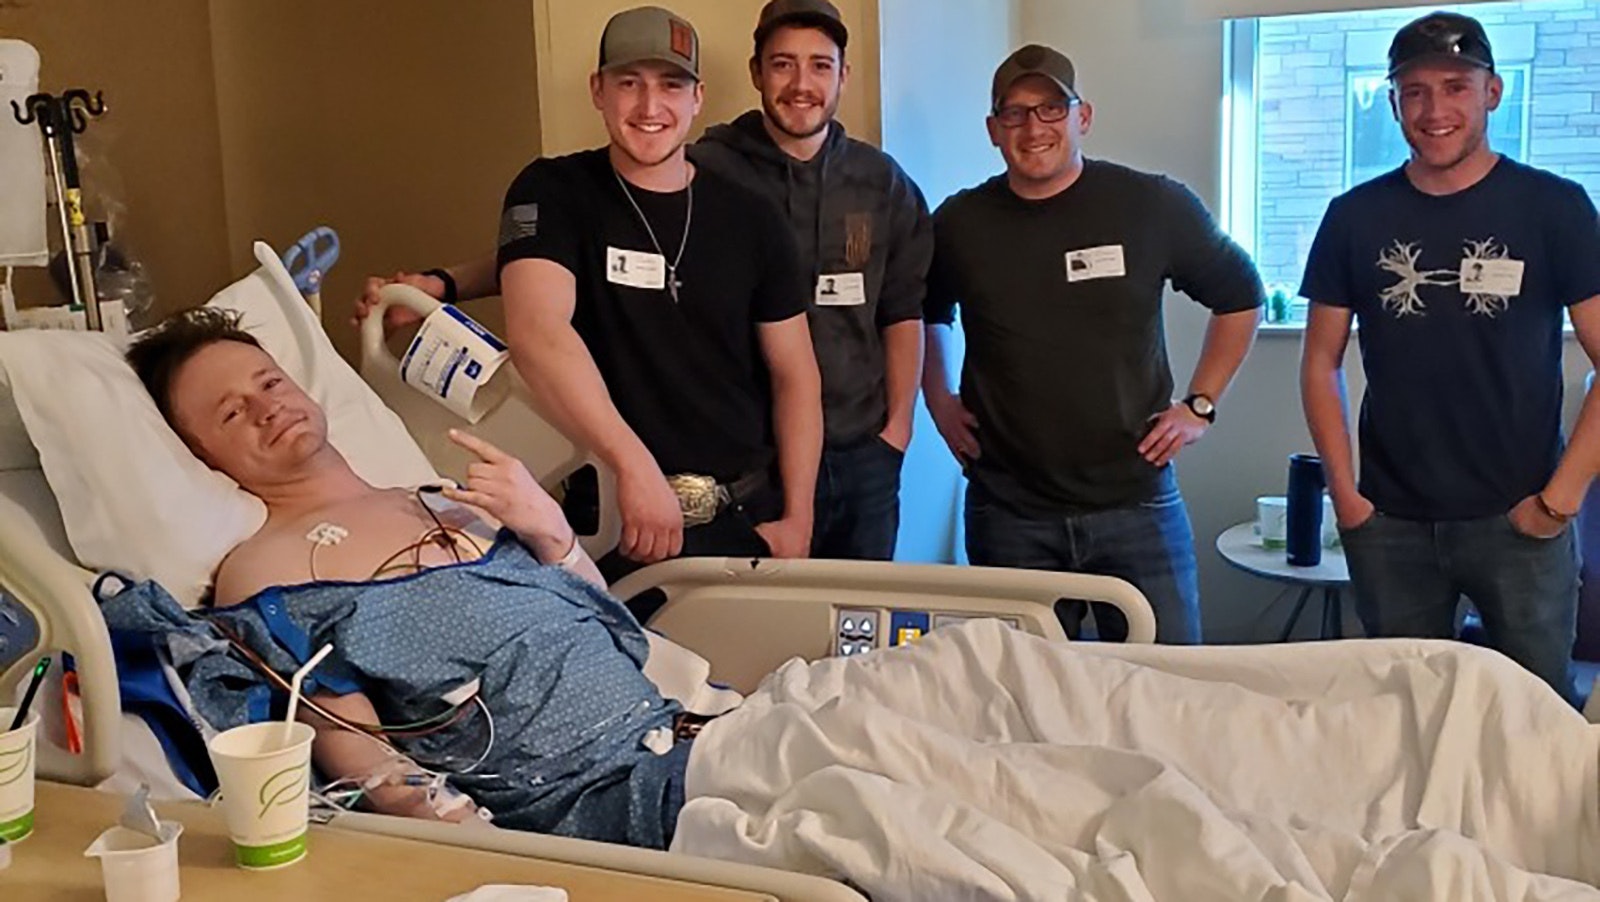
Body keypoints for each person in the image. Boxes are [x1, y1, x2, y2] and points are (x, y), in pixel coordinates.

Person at [111, 306, 1600, 899]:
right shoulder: (259, 580)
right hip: (652, 801)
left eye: (269, 380)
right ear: (191, 449)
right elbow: (355, 761)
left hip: (736, 707)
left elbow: (620, 623)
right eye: (225, 413)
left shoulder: (450, 489)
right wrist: (440, 822)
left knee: (1085, 690)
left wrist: (541, 537)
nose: (269, 413)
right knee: (1087, 814)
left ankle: (1477, 755)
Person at [361, 7, 824, 592]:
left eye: (670, 85)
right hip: (607, 517)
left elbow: (796, 375)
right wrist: (635, 466)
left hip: (744, 517)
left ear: (698, 97)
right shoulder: (554, 192)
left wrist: (798, 520)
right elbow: (539, 330)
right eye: (629, 83)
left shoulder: (753, 216)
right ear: (598, 91)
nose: (650, 108)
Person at [1299, 11, 1600, 703]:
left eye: (1456, 87)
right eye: (1415, 91)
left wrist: (1560, 501)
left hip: (1519, 519)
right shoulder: (1354, 217)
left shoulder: (1554, 208)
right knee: (1402, 714)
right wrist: (1347, 496)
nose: (1435, 110)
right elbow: (1320, 362)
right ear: (1394, 101)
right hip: (1391, 521)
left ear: (1493, 92)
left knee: (1537, 715)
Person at [922, 44, 1263, 643]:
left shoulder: (1150, 205)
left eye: (1052, 108)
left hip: (1137, 505)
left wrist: (1200, 406)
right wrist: (938, 398)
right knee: (1024, 694)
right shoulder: (959, 224)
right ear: (993, 130)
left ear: (1083, 117)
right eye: (1015, 113)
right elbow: (927, 313)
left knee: (1168, 686)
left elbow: (1241, 295)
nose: (1034, 128)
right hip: (1010, 513)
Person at [688, 0, 933, 561]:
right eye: (783, 65)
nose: (802, 84)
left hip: (863, 458)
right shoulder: (708, 170)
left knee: (861, 633)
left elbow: (902, 311)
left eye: (821, 66)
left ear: (843, 75)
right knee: (764, 631)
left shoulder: (882, 182)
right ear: (756, 72)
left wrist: (897, 432)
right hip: (751, 466)